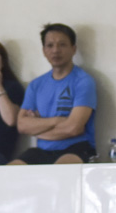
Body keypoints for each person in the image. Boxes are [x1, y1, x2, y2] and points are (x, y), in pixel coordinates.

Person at [9, 23, 96, 165]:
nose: (55, 50)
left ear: (73, 49)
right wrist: (58, 121)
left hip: (76, 148)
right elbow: (22, 125)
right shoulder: (36, 85)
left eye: (62, 45)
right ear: (44, 50)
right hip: (42, 150)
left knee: (61, 172)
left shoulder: (84, 81)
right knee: (10, 170)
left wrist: (36, 129)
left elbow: (73, 128)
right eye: (50, 45)